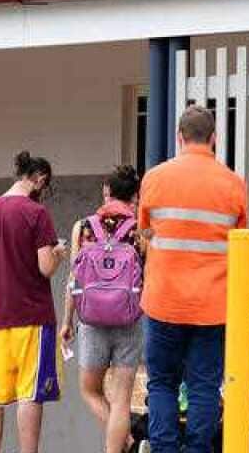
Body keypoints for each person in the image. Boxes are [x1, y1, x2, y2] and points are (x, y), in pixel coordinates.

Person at [138, 105, 248, 453]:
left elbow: (145, 232)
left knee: (162, 384)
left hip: (163, 301)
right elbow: (240, 241)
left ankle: (164, 448)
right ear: (214, 139)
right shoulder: (233, 184)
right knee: (204, 386)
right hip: (212, 306)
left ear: (179, 137)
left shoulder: (155, 178)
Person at [0, 151, 67, 453]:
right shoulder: (36, 213)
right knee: (30, 395)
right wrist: (58, 254)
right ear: (39, 178)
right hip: (34, 317)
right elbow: (45, 267)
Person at [60, 165, 145, 453]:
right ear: (134, 195)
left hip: (92, 320)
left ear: (106, 193)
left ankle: (129, 443)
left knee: (90, 390)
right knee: (122, 399)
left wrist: (66, 320)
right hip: (129, 320)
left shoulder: (83, 227)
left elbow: (74, 279)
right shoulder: (140, 230)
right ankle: (125, 443)